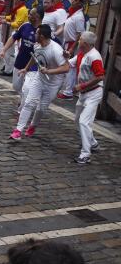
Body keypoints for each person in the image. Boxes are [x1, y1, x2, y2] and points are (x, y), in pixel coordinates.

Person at [36, 31, 104, 164]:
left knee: (84, 121)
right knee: (78, 119)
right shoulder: (81, 54)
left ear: (86, 43)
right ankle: (93, 143)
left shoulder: (94, 57)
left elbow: (100, 76)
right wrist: (65, 56)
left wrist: (82, 86)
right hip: (84, 93)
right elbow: (69, 64)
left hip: (93, 93)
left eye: (81, 40)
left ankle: (85, 154)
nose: (79, 42)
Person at [9, 24, 67, 141]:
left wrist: (49, 71)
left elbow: (66, 68)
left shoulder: (56, 50)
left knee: (41, 108)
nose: (34, 35)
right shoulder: (37, 45)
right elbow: (34, 57)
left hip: (53, 83)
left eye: (36, 33)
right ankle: (18, 130)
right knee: (29, 102)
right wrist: (26, 68)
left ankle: (33, 125)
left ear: (42, 36)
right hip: (40, 78)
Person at [0, 9, 41, 98]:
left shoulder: (42, 30)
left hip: (33, 65)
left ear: (37, 17)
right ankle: (23, 98)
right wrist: (4, 50)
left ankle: (23, 106)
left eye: (30, 14)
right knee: (16, 86)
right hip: (20, 61)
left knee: (27, 88)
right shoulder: (25, 25)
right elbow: (14, 37)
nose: (28, 16)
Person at [57, 0, 87, 100]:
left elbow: (80, 34)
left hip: (72, 44)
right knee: (68, 66)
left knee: (70, 68)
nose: (73, 2)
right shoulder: (71, 12)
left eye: (76, 0)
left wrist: (72, 48)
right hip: (67, 42)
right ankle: (69, 89)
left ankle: (68, 92)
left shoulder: (79, 17)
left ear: (80, 3)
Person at [2, 0, 29, 75]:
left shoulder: (22, 9)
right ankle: (8, 70)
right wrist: (3, 17)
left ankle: (15, 70)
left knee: (16, 53)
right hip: (16, 32)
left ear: (19, 0)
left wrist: (6, 22)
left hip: (19, 33)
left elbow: (17, 23)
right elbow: (12, 17)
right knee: (8, 52)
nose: (14, 0)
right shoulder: (18, 8)